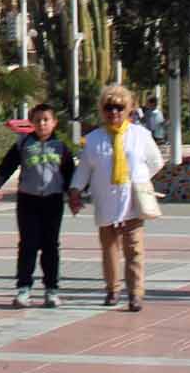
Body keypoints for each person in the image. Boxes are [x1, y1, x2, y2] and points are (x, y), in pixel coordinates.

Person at [69, 84, 165, 311]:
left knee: (135, 250)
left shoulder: (140, 135)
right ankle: (112, 290)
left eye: (119, 108)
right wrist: (75, 191)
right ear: (103, 110)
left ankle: (135, 294)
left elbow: (156, 162)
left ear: (129, 109)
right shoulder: (93, 139)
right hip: (106, 201)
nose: (114, 112)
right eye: (109, 108)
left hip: (132, 201)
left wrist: (140, 180)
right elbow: (84, 170)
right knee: (110, 250)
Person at [0, 101, 75, 307]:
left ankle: (51, 289)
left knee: (51, 246)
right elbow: (7, 165)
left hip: (53, 201)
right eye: (38, 120)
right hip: (28, 201)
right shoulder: (23, 144)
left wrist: (74, 196)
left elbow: (70, 174)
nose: (42, 124)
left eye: (46, 120)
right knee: (28, 245)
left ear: (54, 123)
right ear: (31, 123)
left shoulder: (61, 147)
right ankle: (24, 288)